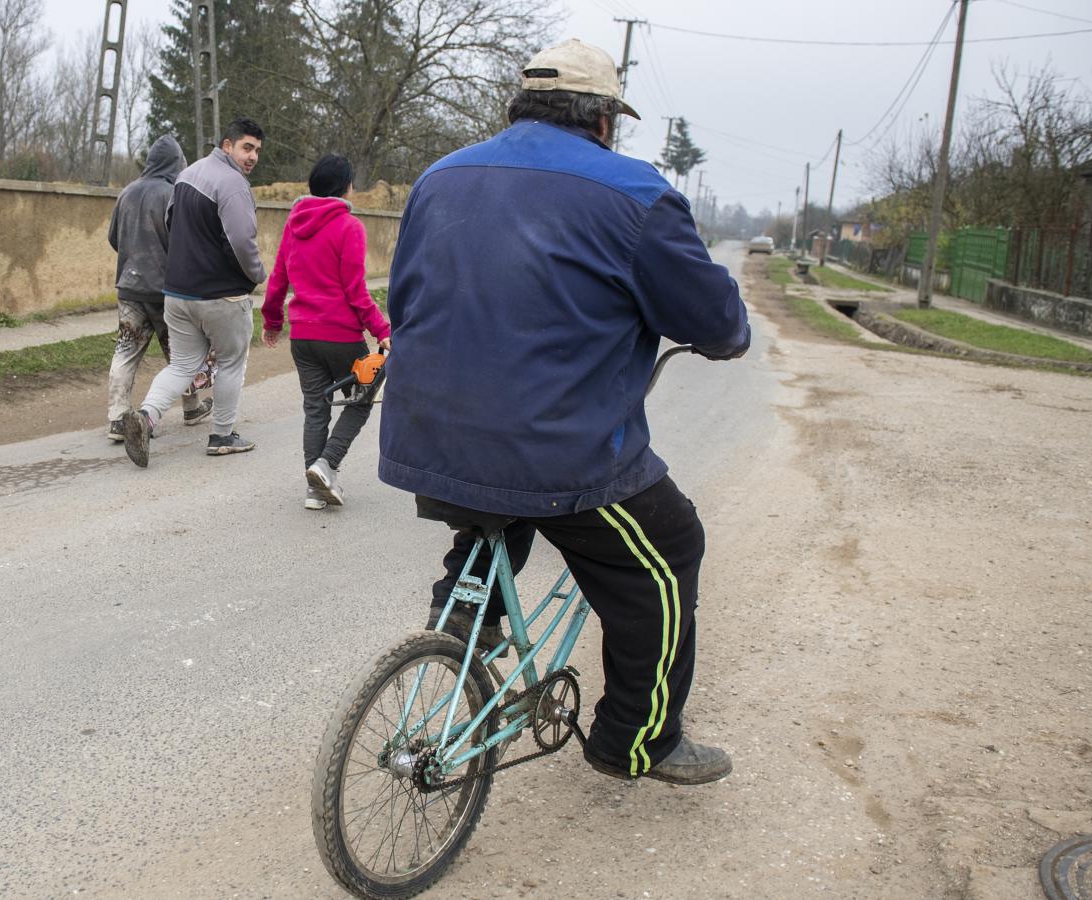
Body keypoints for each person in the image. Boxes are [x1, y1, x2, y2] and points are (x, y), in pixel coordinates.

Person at [378, 39, 751, 786]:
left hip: (425, 437)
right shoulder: (635, 195)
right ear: (605, 119)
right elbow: (716, 319)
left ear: (519, 104)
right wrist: (725, 337)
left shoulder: (440, 177)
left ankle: (461, 625)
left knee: (495, 505)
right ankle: (636, 742)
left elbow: (405, 299)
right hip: (559, 454)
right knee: (669, 549)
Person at [123, 118, 268, 467]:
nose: (252, 157)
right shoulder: (233, 184)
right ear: (227, 144)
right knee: (232, 361)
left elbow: (172, 224)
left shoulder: (186, 176)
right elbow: (241, 243)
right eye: (247, 147)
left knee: (184, 364)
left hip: (177, 292)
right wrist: (257, 275)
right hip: (222, 296)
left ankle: (145, 417)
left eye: (258, 151)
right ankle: (222, 435)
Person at [261, 155, 391, 510]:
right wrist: (382, 329)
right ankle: (327, 464)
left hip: (303, 335)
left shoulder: (293, 224)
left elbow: (278, 280)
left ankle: (314, 488)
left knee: (316, 408)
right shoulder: (349, 227)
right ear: (346, 186)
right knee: (362, 399)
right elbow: (355, 290)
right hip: (341, 335)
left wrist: (273, 322)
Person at [104, 135, 216, 442]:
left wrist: (133, 259)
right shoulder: (174, 194)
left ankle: (117, 419)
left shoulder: (126, 193)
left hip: (130, 288)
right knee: (182, 354)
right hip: (167, 291)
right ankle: (192, 408)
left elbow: (114, 238)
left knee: (126, 352)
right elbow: (185, 243)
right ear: (176, 163)